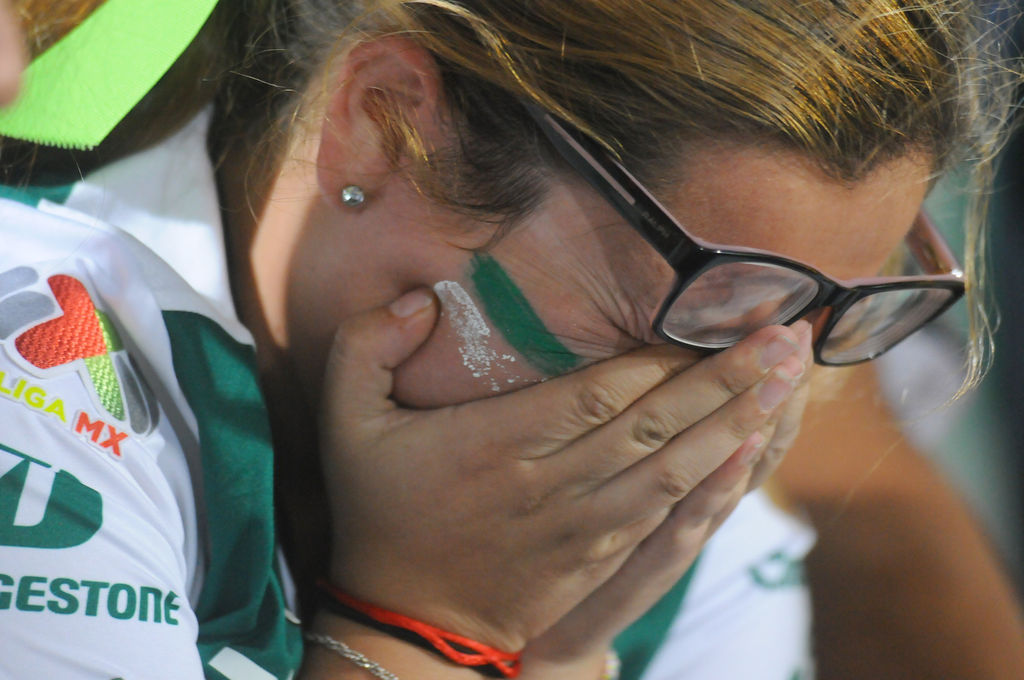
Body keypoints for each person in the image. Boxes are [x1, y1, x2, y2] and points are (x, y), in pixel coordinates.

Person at [0, 1, 1020, 679]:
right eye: (687, 309)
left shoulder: (705, 556)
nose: (733, 413)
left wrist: (562, 652)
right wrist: (428, 624)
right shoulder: (38, 365)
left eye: (821, 315)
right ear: (383, 125)